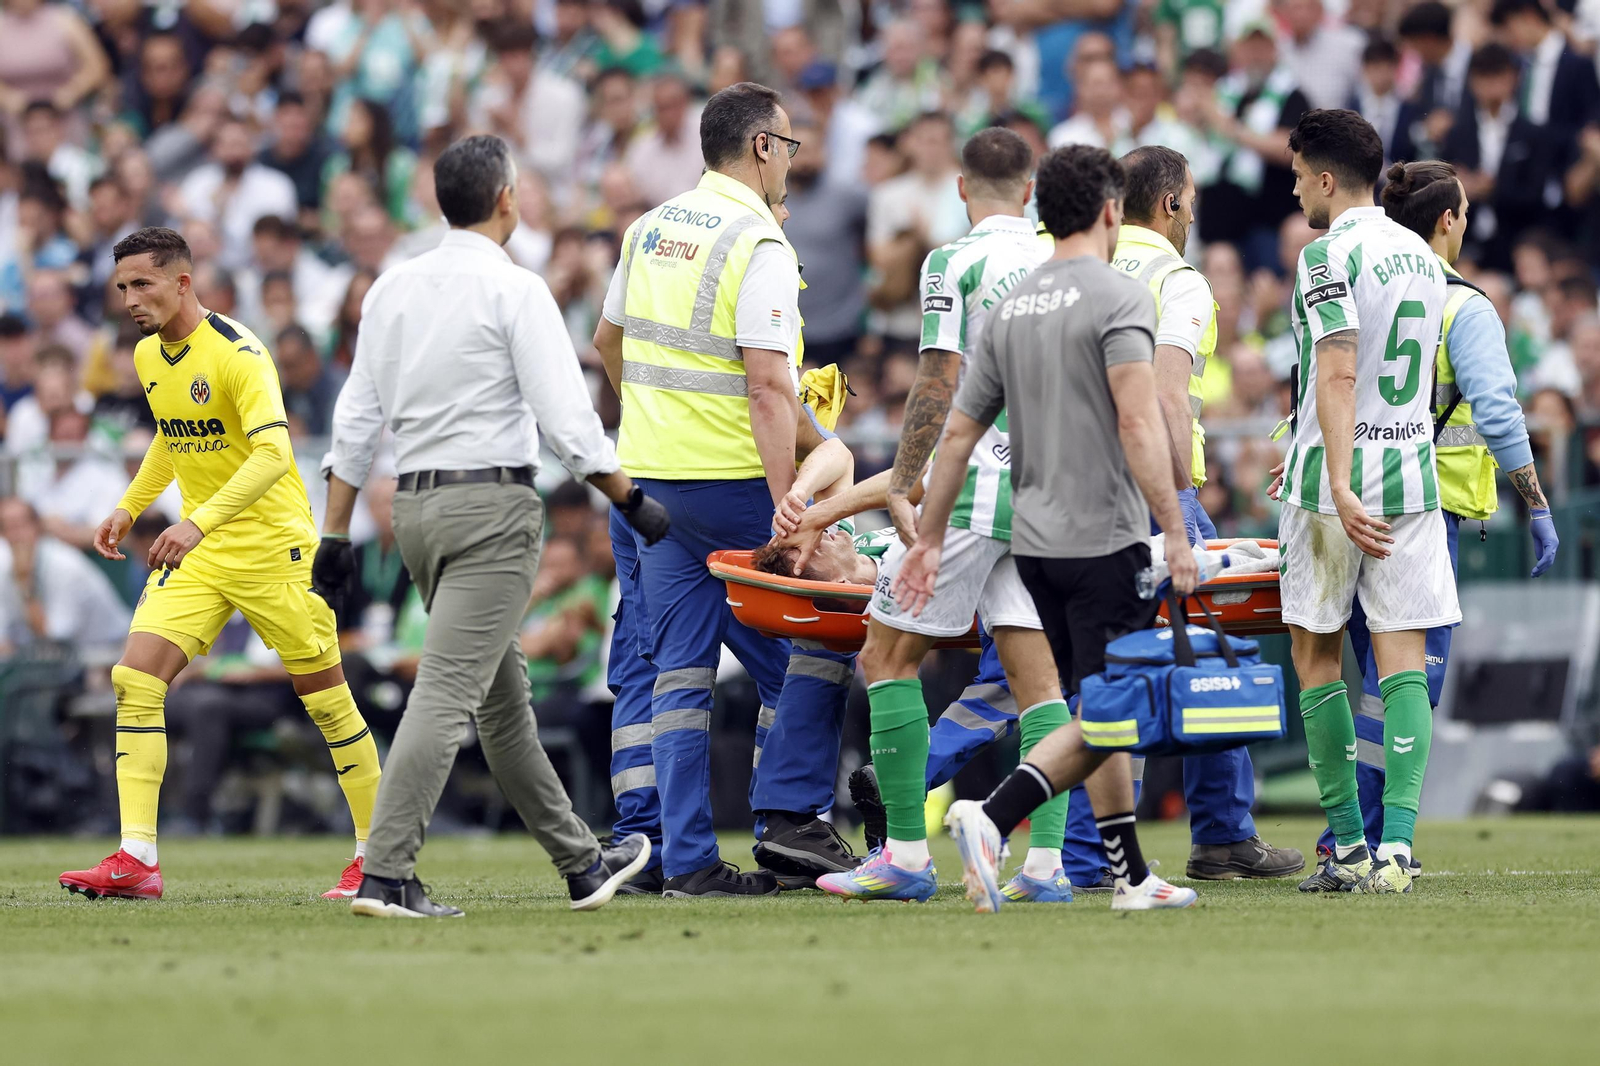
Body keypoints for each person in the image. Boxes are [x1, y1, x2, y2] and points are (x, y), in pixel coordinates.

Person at [318, 135, 664, 919]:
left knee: (501, 702)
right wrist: (630, 497)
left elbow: (356, 417)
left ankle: (580, 863)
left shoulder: (390, 288)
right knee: (447, 694)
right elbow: (567, 420)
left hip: (414, 509)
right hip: (492, 510)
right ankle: (387, 872)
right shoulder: (516, 289)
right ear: (507, 197)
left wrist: (336, 534)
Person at [898, 144, 1200, 913]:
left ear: (1043, 210)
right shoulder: (1119, 295)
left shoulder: (1013, 305)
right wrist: (1174, 527)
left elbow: (959, 435)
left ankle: (1130, 877)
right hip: (1105, 533)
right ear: (1109, 210)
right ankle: (992, 817)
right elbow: (1137, 419)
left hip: (1034, 543)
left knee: (1093, 703)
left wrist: (929, 538)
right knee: (1114, 711)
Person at [56, 228, 381, 902]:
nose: (129, 300)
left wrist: (196, 520)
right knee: (134, 678)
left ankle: (376, 855)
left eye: (142, 284)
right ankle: (137, 856)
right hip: (203, 553)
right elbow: (173, 443)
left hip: (273, 547)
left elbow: (270, 455)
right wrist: (129, 506)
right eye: (121, 288)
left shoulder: (239, 353)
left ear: (182, 281)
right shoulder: (148, 356)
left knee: (325, 698)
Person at [592, 81, 848, 897]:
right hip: (733, 484)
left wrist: (653, 422)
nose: (790, 167)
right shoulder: (758, 241)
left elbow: (607, 340)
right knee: (825, 635)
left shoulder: (650, 225)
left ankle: (689, 862)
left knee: (678, 676)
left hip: (651, 485)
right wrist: (792, 504)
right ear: (763, 148)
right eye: (790, 148)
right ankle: (790, 819)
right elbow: (769, 386)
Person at [811, 127, 1072, 906]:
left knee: (887, 659)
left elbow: (937, 378)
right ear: (1030, 190)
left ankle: (903, 856)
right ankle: (1046, 869)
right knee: (1040, 685)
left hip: (973, 489)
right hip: (1052, 498)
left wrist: (911, 480)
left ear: (962, 189)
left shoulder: (953, 263)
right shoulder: (1072, 265)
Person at [1309, 159, 1558, 863]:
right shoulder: (1462, 304)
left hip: (1339, 497)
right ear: (1447, 220)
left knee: (1351, 678)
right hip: (1425, 508)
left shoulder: (1358, 279)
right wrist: (1535, 503)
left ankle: (1348, 839)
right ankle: (1373, 841)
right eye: (1467, 212)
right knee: (1408, 682)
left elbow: (1323, 378)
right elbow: (1499, 413)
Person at [1109, 145, 1303, 882]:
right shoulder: (1176, 280)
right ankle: (1220, 832)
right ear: (1169, 206)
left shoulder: (1081, 266)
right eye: (1190, 200)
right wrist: (1172, 513)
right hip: (1157, 493)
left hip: (1072, 491)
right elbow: (1164, 396)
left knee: (1083, 667)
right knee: (1211, 658)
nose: (1194, 213)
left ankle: (1085, 845)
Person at [1275, 110, 1455, 896]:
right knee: (1402, 662)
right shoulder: (1421, 254)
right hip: (1413, 473)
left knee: (1318, 657)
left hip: (1332, 481)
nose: (1291, 187)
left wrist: (1339, 482)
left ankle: (1348, 844)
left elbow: (1339, 369)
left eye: (1294, 173)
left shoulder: (1325, 254)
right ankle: (1400, 850)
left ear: (1322, 176)